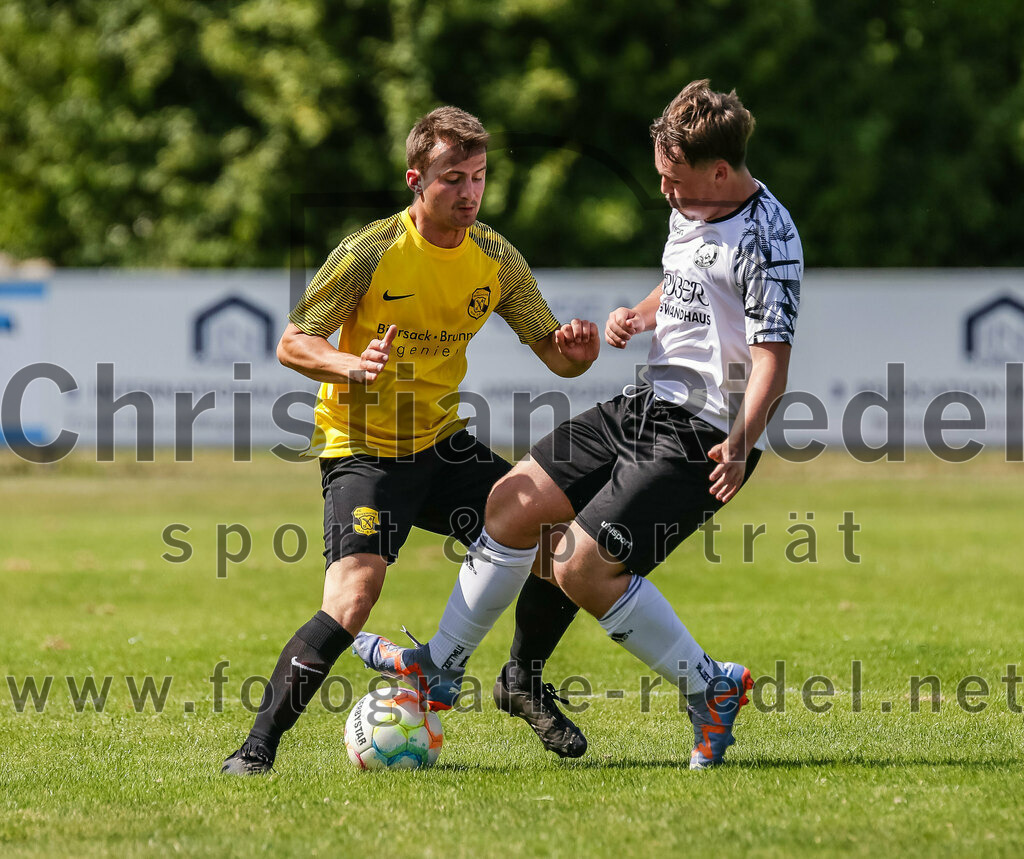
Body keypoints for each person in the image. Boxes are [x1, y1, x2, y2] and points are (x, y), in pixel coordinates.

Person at [357, 79, 803, 768]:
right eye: (660, 177)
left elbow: (773, 359)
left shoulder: (768, 237)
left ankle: (711, 687)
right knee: (513, 503)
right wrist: (642, 312)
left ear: (720, 171)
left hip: (702, 433)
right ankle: (439, 669)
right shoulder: (693, 202)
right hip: (643, 404)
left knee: (580, 567)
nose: (666, 193)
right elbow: (687, 278)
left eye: (674, 180)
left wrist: (740, 446)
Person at [221, 106, 600, 775]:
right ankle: (257, 746)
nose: (470, 192)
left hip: (442, 442)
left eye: (479, 177)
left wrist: (578, 352)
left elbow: (556, 356)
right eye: (454, 177)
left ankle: (523, 680)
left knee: (558, 537)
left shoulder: (496, 258)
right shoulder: (370, 252)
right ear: (415, 178)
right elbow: (292, 341)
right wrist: (349, 363)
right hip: (364, 447)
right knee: (353, 596)